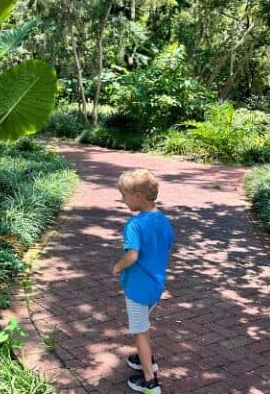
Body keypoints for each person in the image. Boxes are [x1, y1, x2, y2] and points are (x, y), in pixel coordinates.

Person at [112, 169, 174, 394]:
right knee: (145, 324)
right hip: (156, 285)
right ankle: (144, 359)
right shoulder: (163, 220)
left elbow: (132, 256)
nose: (122, 200)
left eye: (124, 195)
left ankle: (150, 380)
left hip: (138, 288)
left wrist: (117, 267)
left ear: (137, 195)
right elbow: (166, 246)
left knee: (139, 332)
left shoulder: (134, 225)